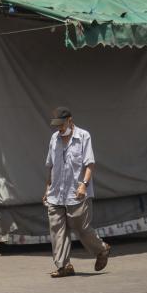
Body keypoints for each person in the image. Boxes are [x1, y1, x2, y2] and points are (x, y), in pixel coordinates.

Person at [43, 107, 111, 278]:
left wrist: (84, 185)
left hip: (77, 192)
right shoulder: (54, 139)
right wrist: (47, 187)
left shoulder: (83, 137)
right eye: (56, 125)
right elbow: (50, 165)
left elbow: (90, 164)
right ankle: (64, 266)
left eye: (62, 124)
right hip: (56, 193)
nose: (59, 128)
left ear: (70, 121)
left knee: (81, 228)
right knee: (57, 230)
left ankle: (101, 249)